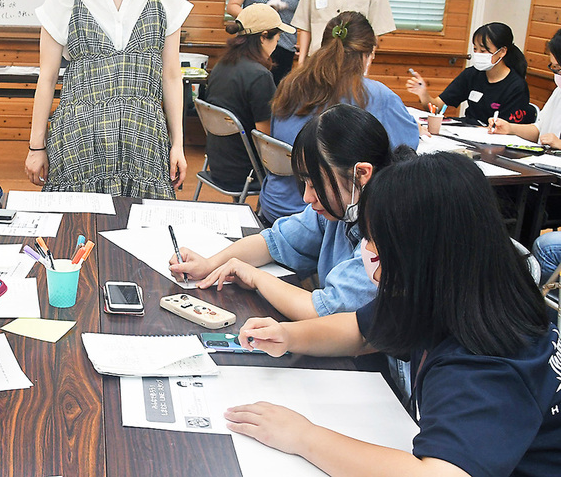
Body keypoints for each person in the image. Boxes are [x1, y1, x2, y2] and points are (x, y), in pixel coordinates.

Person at [229, 152, 560, 477]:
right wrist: (290, 336)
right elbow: (361, 331)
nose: (368, 254)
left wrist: (304, 437)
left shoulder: (489, 359)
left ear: (420, 253)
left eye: (377, 242)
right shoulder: (447, 289)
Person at [26, 0, 193, 198]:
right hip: (79, 140)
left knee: (144, 235)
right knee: (73, 232)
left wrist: (178, 144)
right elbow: (46, 78)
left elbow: (171, 75)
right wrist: (36, 146)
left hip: (144, 140)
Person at [170, 104, 413, 321]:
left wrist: (256, 278)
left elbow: (324, 311)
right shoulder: (343, 206)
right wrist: (210, 264)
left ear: (361, 174)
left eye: (315, 184)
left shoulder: (385, 233)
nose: (307, 198)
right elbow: (276, 241)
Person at [257, 11, 418, 225]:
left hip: (274, 205)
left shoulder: (290, 84)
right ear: (367, 55)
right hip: (325, 216)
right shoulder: (377, 96)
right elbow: (404, 154)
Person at [203, 3, 291, 191]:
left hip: (218, 165)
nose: (278, 43)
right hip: (246, 172)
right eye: (277, 37)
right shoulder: (259, 76)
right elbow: (265, 138)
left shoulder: (221, 66)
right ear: (263, 36)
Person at [407, 21, 531, 125]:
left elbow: (507, 129)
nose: (478, 55)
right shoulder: (472, 75)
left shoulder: (516, 86)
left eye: (483, 51)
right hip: (466, 131)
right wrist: (423, 94)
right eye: (475, 49)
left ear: (502, 52)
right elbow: (437, 106)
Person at [489, 27, 561, 144]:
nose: (557, 74)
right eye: (555, 68)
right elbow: (539, 129)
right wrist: (510, 128)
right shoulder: (559, 93)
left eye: (559, 68)